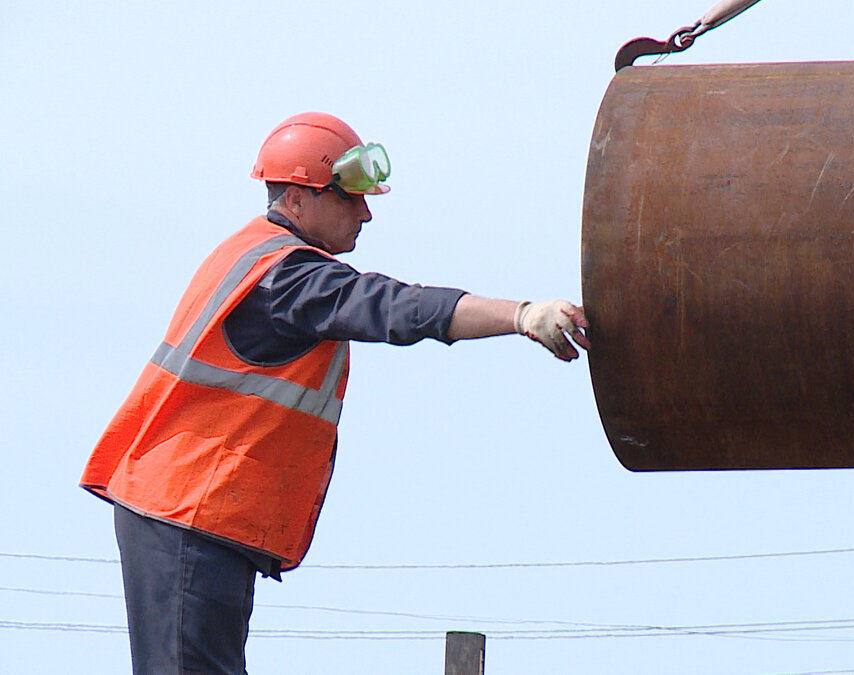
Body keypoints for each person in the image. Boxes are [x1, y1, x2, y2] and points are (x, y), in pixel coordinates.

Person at [79, 111, 590, 674]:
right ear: (296, 198)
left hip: (192, 507)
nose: (366, 212)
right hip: (185, 505)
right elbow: (398, 308)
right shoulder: (284, 278)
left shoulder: (258, 258)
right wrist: (521, 315)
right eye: (349, 199)